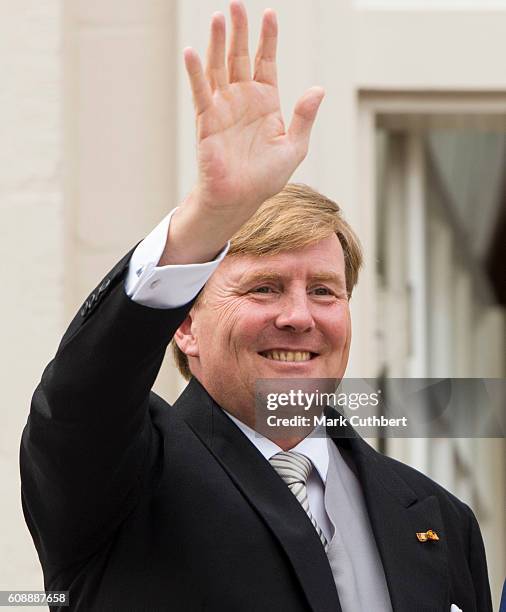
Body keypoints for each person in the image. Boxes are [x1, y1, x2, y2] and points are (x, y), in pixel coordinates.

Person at [20, 2, 492, 611]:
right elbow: (84, 396)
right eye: (264, 288)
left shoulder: (440, 520)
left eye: (324, 290)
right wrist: (209, 218)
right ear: (186, 325)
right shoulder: (124, 476)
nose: (299, 316)